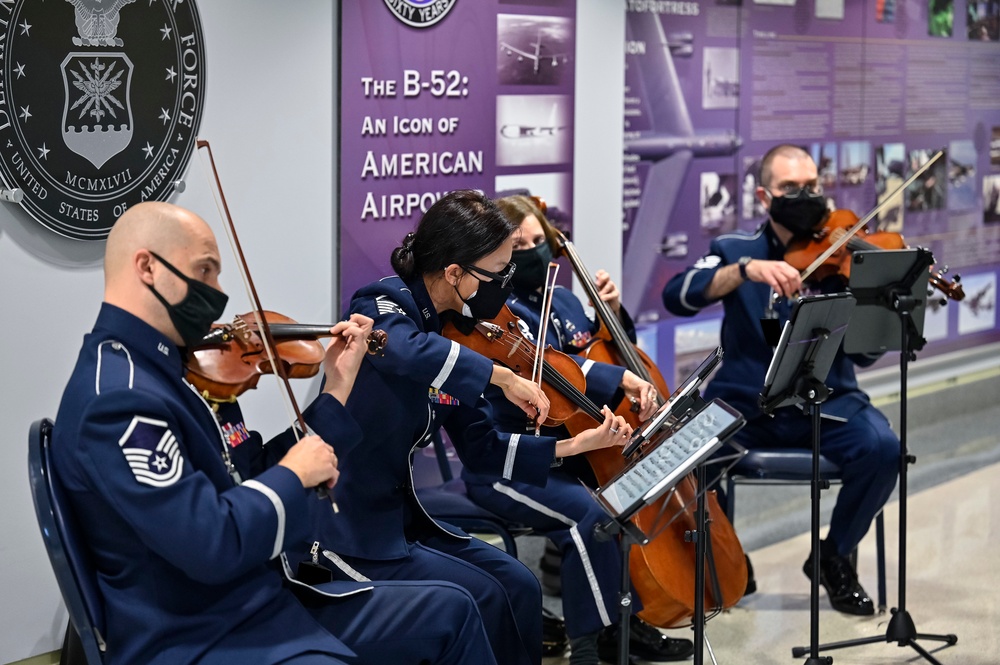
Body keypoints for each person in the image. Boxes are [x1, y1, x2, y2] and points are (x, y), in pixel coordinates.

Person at [52, 201, 497, 665]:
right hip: (197, 632)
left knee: (454, 610)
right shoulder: (120, 400)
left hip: (252, 600)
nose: (218, 294)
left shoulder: (172, 372)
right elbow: (210, 543)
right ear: (146, 266)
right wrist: (293, 474)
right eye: (205, 272)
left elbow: (252, 472)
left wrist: (337, 391)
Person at [293, 189, 633, 665]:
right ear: (453, 272)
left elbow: (484, 448)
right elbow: (405, 350)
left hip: (400, 519)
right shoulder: (383, 301)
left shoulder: (455, 330)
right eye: (495, 274)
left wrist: (576, 445)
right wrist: (502, 375)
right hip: (342, 524)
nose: (503, 288)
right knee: (478, 599)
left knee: (518, 584)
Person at [662, 144, 899, 616]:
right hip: (746, 405)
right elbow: (678, 295)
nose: (805, 195)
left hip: (829, 403)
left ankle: (833, 557)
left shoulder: (844, 253)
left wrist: (877, 300)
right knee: (691, 452)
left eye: (812, 186)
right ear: (764, 196)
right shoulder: (736, 249)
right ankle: (727, 560)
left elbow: (868, 354)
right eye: (791, 188)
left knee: (884, 449)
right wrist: (744, 272)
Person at [462, 194, 695, 664]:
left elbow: (582, 363)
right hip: (509, 462)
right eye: (518, 244)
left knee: (625, 493)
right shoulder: (494, 317)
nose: (534, 250)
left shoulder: (562, 298)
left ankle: (627, 622)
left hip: (570, 449)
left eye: (538, 239)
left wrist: (612, 324)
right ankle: (592, 645)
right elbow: (550, 370)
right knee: (589, 516)